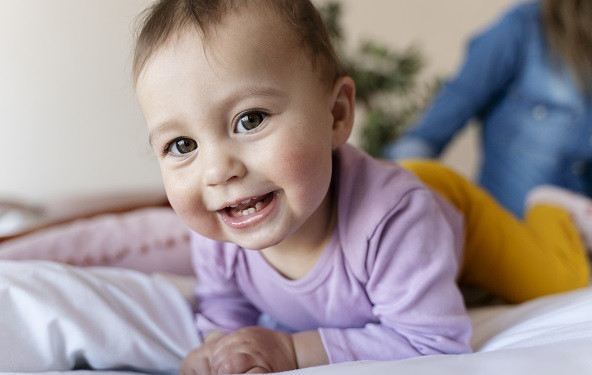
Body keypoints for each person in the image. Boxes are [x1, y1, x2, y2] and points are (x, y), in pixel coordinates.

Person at [132, 0, 592, 373]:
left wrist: (292, 353)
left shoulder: (396, 218)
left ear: (336, 116)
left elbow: (435, 341)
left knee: (562, 280)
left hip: (447, 204)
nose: (217, 171)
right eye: (181, 144)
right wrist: (220, 348)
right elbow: (223, 306)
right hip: (399, 224)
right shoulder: (222, 222)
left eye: (249, 120)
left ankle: (550, 212)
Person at [385, 0, 592, 217]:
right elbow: (427, 136)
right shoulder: (523, 28)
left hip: (578, 246)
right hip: (507, 236)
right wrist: (388, 203)